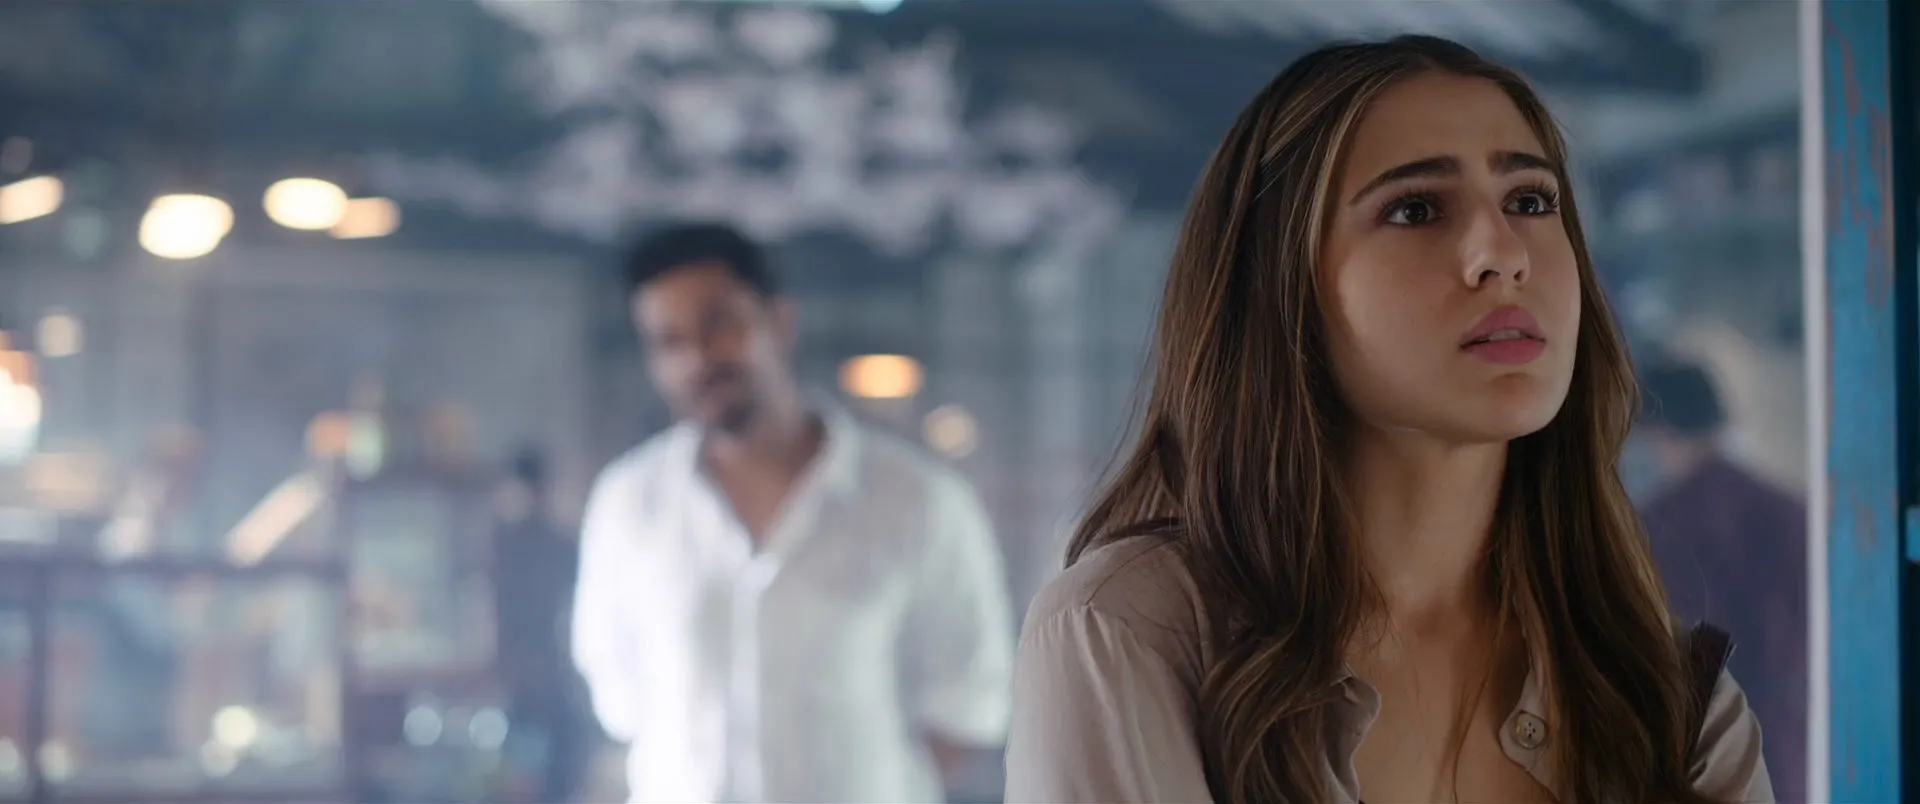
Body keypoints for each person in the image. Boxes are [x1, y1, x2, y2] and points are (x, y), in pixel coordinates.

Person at [1004, 35, 1772, 804]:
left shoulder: (1674, 699)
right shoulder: (1130, 634)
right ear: (1283, 284)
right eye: (1415, 209)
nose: (1502, 254)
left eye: (1531, 202)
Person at [571, 222, 1015, 803]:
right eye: (669, 341)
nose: (698, 358)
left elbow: (967, 703)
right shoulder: (628, 503)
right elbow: (620, 697)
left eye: (719, 324)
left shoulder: (921, 501)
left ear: (779, 321)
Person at [1639, 358, 1807, 804]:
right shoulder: (1788, 511)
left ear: (1659, 434)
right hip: (1791, 735)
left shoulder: (1658, 526)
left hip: (1701, 742)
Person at [489, 447, 593, 804]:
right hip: (528, 681)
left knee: (550, 777)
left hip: (549, 679)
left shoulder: (547, 545)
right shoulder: (505, 545)